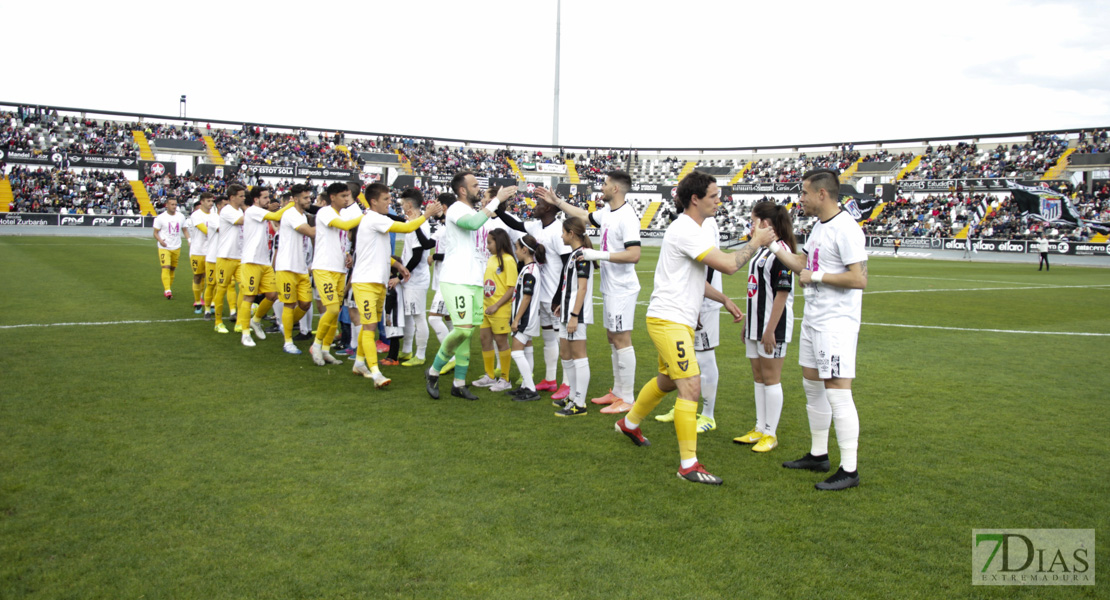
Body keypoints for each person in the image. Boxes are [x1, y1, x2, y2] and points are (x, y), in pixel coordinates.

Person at [613, 171, 772, 485]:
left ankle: (629, 423)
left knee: (669, 381)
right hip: (669, 320)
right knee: (691, 385)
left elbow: (692, 279)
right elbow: (728, 264)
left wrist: (724, 299)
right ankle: (688, 465)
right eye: (713, 195)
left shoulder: (691, 228)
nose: (719, 201)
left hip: (673, 319)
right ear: (695, 199)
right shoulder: (687, 228)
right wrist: (756, 241)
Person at [769, 169, 868, 491]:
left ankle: (849, 469)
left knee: (838, 391)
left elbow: (859, 279)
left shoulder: (846, 229)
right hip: (814, 319)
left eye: (805, 193)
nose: (801, 199)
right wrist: (773, 247)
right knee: (812, 385)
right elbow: (804, 266)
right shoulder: (818, 229)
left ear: (822, 194)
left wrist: (820, 277)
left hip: (835, 323)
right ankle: (818, 454)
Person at [540, 171, 642, 414]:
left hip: (622, 288)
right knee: (612, 337)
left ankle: (627, 397)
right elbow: (584, 216)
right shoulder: (607, 212)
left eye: (605, 184)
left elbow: (634, 254)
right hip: (610, 286)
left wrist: (599, 255)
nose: (602, 187)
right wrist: (558, 203)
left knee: (621, 338)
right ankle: (617, 391)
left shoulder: (628, 216)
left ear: (615, 189)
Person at [329, 182, 440, 387]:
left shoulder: (375, 219)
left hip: (377, 282)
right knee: (370, 325)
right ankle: (375, 372)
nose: (390, 204)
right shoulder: (373, 219)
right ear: (373, 202)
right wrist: (427, 214)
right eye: (386, 200)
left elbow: (379, 251)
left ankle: (360, 363)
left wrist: (397, 264)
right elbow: (406, 227)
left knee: (369, 325)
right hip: (366, 283)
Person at [425, 172, 517, 400]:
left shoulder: (474, 210)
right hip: (457, 279)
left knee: (466, 334)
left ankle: (458, 383)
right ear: (463, 190)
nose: (479, 189)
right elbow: (472, 224)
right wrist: (496, 200)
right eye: (475, 185)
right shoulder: (456, 209)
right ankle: (434, 370)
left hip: (473, 281)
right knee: (463, 329)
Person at [732, 201, 797, 453]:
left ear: (765, 223)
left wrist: (770, 329)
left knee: (771, 379)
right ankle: (759, 427)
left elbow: (782, 292)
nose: (751, 224)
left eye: (753, 220)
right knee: (759, 377)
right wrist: (749, 323)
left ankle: (771, 433)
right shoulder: (760, 251)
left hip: (772, 327)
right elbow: (755, 290)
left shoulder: (781, 251)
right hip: (755, 325)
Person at [493, 189, 572, 395]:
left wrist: (558, 297)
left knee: (560, 340)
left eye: (537, 204)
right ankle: (550, 379)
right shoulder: (535, 226)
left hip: (554, 295)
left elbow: (566, 265)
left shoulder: (558, 230)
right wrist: (498, 203)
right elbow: (513, 223)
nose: (533, 207)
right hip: (540, 295)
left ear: (548, 208)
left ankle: (567, 383)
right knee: (547, 340)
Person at [655, 208, 723, 433]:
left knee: (704, 356)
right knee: (684, 359)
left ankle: (708, 415)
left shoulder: (708, 223)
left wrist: (701, 301)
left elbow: (711, 264)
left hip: (702, 301)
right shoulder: (690, 222)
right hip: (688, 301)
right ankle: (684, 405)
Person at [308, 182, 359, 367]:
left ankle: (325, 349)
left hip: (338, 269)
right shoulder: (325, 212)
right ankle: (316, 346)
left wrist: (346, 255)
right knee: (330, 309)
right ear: (332, 197)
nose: (347, 199)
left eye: (348, 196)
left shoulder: (341, 214)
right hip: (324, 268)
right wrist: (365, 216)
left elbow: (339, 239)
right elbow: (345, 226)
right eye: (343, 196)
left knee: (334, 312)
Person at [238, 186, 293, 347]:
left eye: (268, 197)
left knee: (273, 295)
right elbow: (276, 215)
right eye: (264, 198)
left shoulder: (259, 212)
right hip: (251, 261)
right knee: (249, 296)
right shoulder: (253, 211)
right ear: (256, 200)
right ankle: (245, 333)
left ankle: (255, 321)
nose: (268, 200)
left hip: (264, 261)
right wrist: (290, 204)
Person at [552, 217, 595, 417]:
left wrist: (574, 315)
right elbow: (572, 286)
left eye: (563, 232)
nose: (561, 236)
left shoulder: (582, 255)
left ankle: (580, 402)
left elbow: (583, 288)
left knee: (579, 356)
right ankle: (572, 397)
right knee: (566, 355)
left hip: (576, 315)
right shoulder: (573, 254)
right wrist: (563, 305)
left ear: (571, 233)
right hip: (567, 312)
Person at [397, 189, 437, 366]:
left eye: (403, 203)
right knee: (408, 315)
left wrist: (400, 275)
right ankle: (406, 350)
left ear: (409, 204)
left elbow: (417, 255)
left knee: (418, 316)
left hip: (415, 278)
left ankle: (420, 355)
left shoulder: (420, 225)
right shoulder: (414, 222)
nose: (402, 206)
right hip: (411, 278)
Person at [274, 184, 316, 354]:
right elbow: (310, 232)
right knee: (290, 304)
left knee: (305, 304)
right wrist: (328, 222)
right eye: (306, 198)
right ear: (296, 199)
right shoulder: (291, 214)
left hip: (300, 267)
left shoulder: (301, 215)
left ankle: (287, 326)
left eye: (309, 197)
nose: (309, 200)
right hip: (287, 266)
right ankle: (288, 342)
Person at [476, 229, 517, 392]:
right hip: (486, 307)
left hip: (499, 309)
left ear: (499, 242)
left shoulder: (508, 261)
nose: (487, 246)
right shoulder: (491, 259)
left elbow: (511, 288)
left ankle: (505, 378)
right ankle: (489, 375)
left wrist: (497, 305)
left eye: (490, 242)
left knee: (501, 342)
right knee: (484, 339)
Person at [507, 234, 546, 402]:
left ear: (524, 250)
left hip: (525, 318)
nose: (515, 251)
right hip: (527, 317)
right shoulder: (528, 268)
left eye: (516, 248)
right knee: (527, 349)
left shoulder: (530, 270)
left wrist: (516, 319)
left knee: (516, 351)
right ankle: (526, 385)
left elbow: (527, 297)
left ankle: (530, 388)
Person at [212, 184, 247, 333]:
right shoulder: (227, 210)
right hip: (225, 256)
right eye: (241, 196)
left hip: (239, 257)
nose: (243, 198)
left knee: (245, 289)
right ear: (232, 197)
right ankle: (218, 322)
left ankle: (239, 321)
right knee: (221, 289)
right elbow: (242, 221)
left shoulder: (239, 210)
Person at [152, 197, 187, 299]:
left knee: (172, 269)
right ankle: (167, 290)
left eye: (175, 204)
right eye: (172, 204)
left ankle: (168, 288)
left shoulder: (181, 217)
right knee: (166, 267)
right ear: (166, 205)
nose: (174, 206)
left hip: (176, 246)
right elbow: (155, 233)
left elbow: (184, 230)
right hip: (164, 247)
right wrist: (160, 240)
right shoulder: (160, 218)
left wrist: (189, 240)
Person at [185, 193, 214, 313]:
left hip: (211, 251)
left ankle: (211, 303)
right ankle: (198, 302)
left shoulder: (215, 215)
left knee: (212, 279)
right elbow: (205, 230)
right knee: (198, 276)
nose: (211, 203)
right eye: (208, 201)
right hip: (197, 251)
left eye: (212, 201)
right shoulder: (196, 215)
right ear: (201, 202)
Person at [203, 195, 231, 321]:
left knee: (227, 285)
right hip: (213, 257)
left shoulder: (229, 217)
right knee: (211, 284)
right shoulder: (214, 217)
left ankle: (230, 310)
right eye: (225, 205)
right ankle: (207, 309)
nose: (227, 208)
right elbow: (223, 230)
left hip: (225, 256)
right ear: (218, 206)